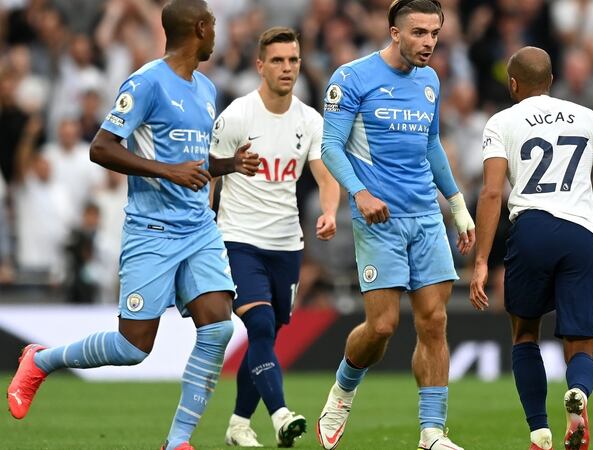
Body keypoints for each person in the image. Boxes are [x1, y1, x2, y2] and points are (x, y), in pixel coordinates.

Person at [5, 2, 260, 449]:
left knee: (219, 328)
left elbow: (193, 164)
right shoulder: (145, 82)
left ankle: (177, 441)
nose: (216, 34)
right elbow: (101, 148)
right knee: (133, 347)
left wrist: (228, 165)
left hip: (198, 228)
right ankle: (41, 360)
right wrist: (167, 172)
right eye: (213, 26)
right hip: (153, 230)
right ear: (200, 28)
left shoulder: (204, 88)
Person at [315, 1, 476, 449]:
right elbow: (330, 146)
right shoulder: (352, 78)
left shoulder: (430, 80)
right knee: (382, 326)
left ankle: (431, 434)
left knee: (435, 321)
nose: (428, 42)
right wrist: (359, 194)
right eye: (419, 32)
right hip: (379, 218)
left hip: (426, 215)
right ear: (395, 32)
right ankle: (343, 390)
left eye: (434, 34)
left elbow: (431, 145)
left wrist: (458, 206)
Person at [469, 47, 593, 450]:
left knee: (525, 334)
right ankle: (577, 392)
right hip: (580, 234)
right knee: (581, 341)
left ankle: (539, 432)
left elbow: (491, 193)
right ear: (552, 81)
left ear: (512, 84)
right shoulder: (587, 117)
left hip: (532, 229)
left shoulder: (501, 121)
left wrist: (482, 260)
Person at [210, 27, 340, 448]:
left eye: (294, 60)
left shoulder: (310, 120)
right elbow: (208, 172)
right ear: (260, 65)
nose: (287, 67)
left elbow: (325, 176)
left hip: (287, 245)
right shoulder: (237, 116)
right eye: (279, 60)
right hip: (238, 238)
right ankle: (281, 414)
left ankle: (238, 424)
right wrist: (204, 228)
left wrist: (330, 211)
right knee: (261, 324)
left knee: (267, 336)